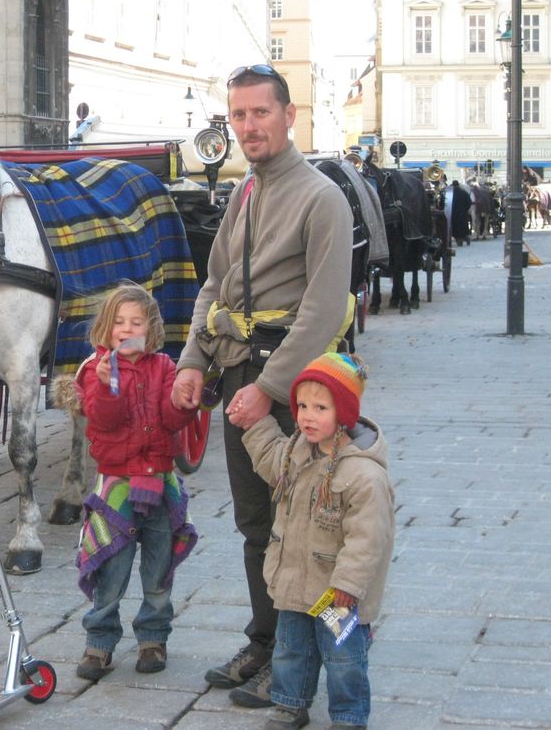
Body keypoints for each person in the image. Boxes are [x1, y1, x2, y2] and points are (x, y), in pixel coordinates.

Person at [171, 64, 353, 709]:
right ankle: (269, 641)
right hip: (242, 373)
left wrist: (269, 389)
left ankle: (309, 666)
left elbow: (325, 310)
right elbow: (215, 285)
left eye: (260, 113)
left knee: (307, 528)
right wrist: (194, 359)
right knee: (257, 525)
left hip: (297, 387)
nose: (249, 126)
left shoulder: (320, 197)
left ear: (289, 114)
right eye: (239, 115)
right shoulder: (246, 193)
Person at [239, 353, 394, 730]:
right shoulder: (297, 451)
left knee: (344, 658)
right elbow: (272, 461)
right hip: (293, 580)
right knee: (292, 651)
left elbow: (367, 539)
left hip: (336, 591)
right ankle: (290, 704)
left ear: (344, 413)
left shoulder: (363, 474)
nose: (307, 416)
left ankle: (348, 715)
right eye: (302, 406)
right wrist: (256, 424)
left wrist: (348, 585)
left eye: (320, 408)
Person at [71, 282, 199, 681]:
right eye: (119, 323)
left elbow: (170, 419)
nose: (128, 330)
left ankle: (153, 638)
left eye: (136, 322)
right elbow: (103, 419)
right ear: (107, 329)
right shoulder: (96, 368)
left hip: (159, 482)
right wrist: (110, 384)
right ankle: (99, 643)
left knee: (158, 570)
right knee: (112, 568)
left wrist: (182, 403)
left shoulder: (163, 367)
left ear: (151, 328)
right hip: (118, 487)